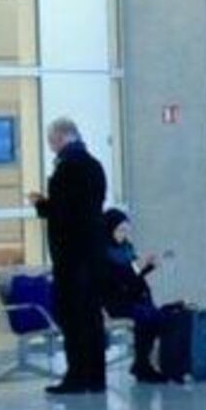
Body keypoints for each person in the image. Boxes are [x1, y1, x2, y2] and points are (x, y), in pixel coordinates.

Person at [35, 116, 113, 395]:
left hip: (72, 258)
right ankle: (96, 376)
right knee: (91, 317)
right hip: (94, 254)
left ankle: (77, 376)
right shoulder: (95, 166)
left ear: (61, 137)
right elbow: (90, 208)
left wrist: (42, 205)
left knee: (73, 317)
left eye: (51, 140)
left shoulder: (67, 168)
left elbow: (64, 214)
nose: (50, 146)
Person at [101, 207, 183, 383]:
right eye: (120, 230)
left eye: (126, 230)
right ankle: (142, 365)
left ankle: (143, 363)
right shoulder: (104, 252)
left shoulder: (126, 248)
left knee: (156, 316)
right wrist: (139, 266)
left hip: (134, 298)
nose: (123, 234)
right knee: (150, 317)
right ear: (109, 229)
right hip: (116, 302)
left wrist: (149, 266)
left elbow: (133, 275)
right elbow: (120, 277)